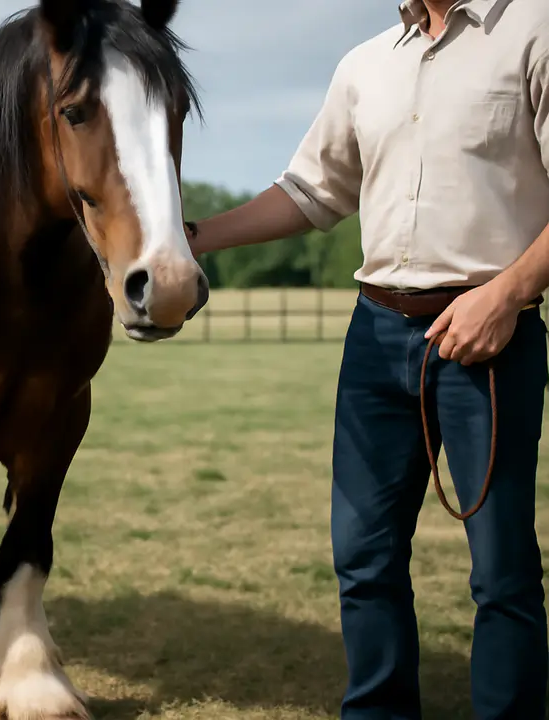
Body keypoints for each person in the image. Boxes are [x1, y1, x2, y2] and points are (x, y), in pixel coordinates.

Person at [186, 1, 549, 717]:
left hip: (489, 336)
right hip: (375, 337)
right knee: (363, 557)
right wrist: (190, 233)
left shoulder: (536, 28)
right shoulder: (365, 64)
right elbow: (311, 192)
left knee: (501, 569)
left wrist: (507, 295)